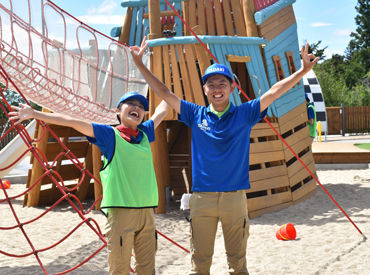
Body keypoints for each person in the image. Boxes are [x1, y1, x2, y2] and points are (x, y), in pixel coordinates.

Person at [129, 37, 318, 274]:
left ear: (231, 87)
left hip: (234, 199)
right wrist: (139, 63)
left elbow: (274, 92)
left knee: (238, 265)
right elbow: (165, 92)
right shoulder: (195, 114)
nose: (217, 89)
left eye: (222, 83)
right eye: (211, 84)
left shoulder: (245, 113)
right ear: (205, 89)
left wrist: (302, 71)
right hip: (202, 200)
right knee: (200, 265)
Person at [9, 92, 168, 275]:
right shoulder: (110, 135)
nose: (137, 108)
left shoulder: (145, 133)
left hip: (147, 213)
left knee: (148, 269)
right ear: (118, 111)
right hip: (121, 213)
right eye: (130, 104)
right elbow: (72, 121)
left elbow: (162, 110)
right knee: (119, 269)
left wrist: (166, 89)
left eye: (141, 107)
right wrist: (36, 114)